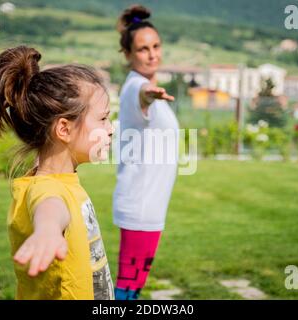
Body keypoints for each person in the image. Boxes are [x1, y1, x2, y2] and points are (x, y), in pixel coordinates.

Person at [0, 45, 115, 300]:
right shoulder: (46, 188)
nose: (110, 129)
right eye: (102, 119)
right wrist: (48, 230)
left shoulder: (64, 180)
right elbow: (50, 208)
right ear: (64, 129)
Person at [113, 5, 179, 300]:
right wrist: (148, 95)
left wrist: (152, 94)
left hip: (150, 207)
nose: (152, 54)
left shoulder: (148, 87)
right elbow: (139, 96)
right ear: (128, 55)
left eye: (156, 46)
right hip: (140, 207)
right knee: (126, 291)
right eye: (142, 49)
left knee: (133, 288)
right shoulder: (135, 88)